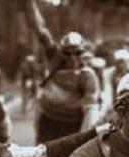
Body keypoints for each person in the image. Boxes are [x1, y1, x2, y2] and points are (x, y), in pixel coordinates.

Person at [26, 0, 101, 142]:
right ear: (61, 52)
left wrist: (82, 139)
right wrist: (29, 4)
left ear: (83, 53)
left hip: (72, 123)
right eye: (68, 53)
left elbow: (90, 112)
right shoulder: (55, 58)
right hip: (47, 118)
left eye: (77, 53)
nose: (72, 58)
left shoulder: (88, 76)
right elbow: (40, 29)